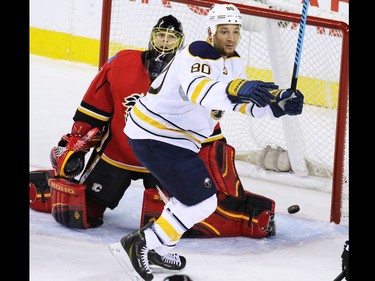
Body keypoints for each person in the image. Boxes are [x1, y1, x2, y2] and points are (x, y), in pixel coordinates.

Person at [109, 3, 304, 281]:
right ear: (210, 31)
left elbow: (236, 102)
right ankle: (141, 243)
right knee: (202, 202)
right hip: (157, 135)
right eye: (224, 31)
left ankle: (160, 247)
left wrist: (276, 105)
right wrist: (235, 89)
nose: (230, 37)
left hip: (174, 139)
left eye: (235, 31)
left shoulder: (233, 61)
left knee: (189, 198)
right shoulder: (197, 52)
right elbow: (199, 92)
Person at [30, 15, 188, 273]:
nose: (165, 41)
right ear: (152, 35)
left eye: (171, 37)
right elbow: (96, 104)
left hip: (161, 161)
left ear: (179, 41)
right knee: (79, 213)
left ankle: (154, 247)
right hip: (117, 154)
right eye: (161, 35)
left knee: (178, 222)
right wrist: (77, 141)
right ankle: (48, 188)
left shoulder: (187, 73)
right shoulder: (123, 62)